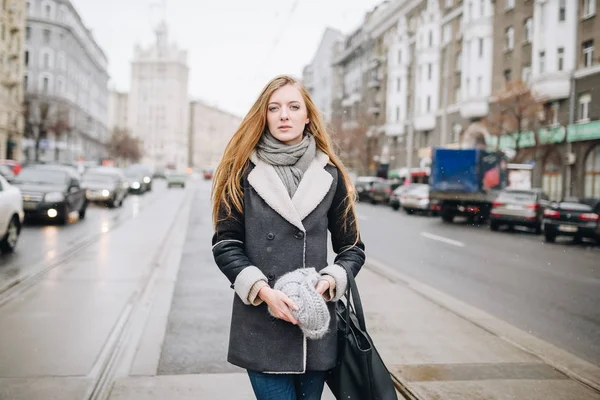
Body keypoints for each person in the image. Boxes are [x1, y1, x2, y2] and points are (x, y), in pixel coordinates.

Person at [211, 75, 366, 400]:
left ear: (308, 116)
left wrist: (330, 281)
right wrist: (263, 291)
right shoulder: (240, 171)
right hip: (261, 323)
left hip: (315, 326)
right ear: (264, 116)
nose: (284, 115)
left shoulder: (330, 175)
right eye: (275, 107)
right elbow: (226, 245)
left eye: (294, 107)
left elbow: (352, 249)